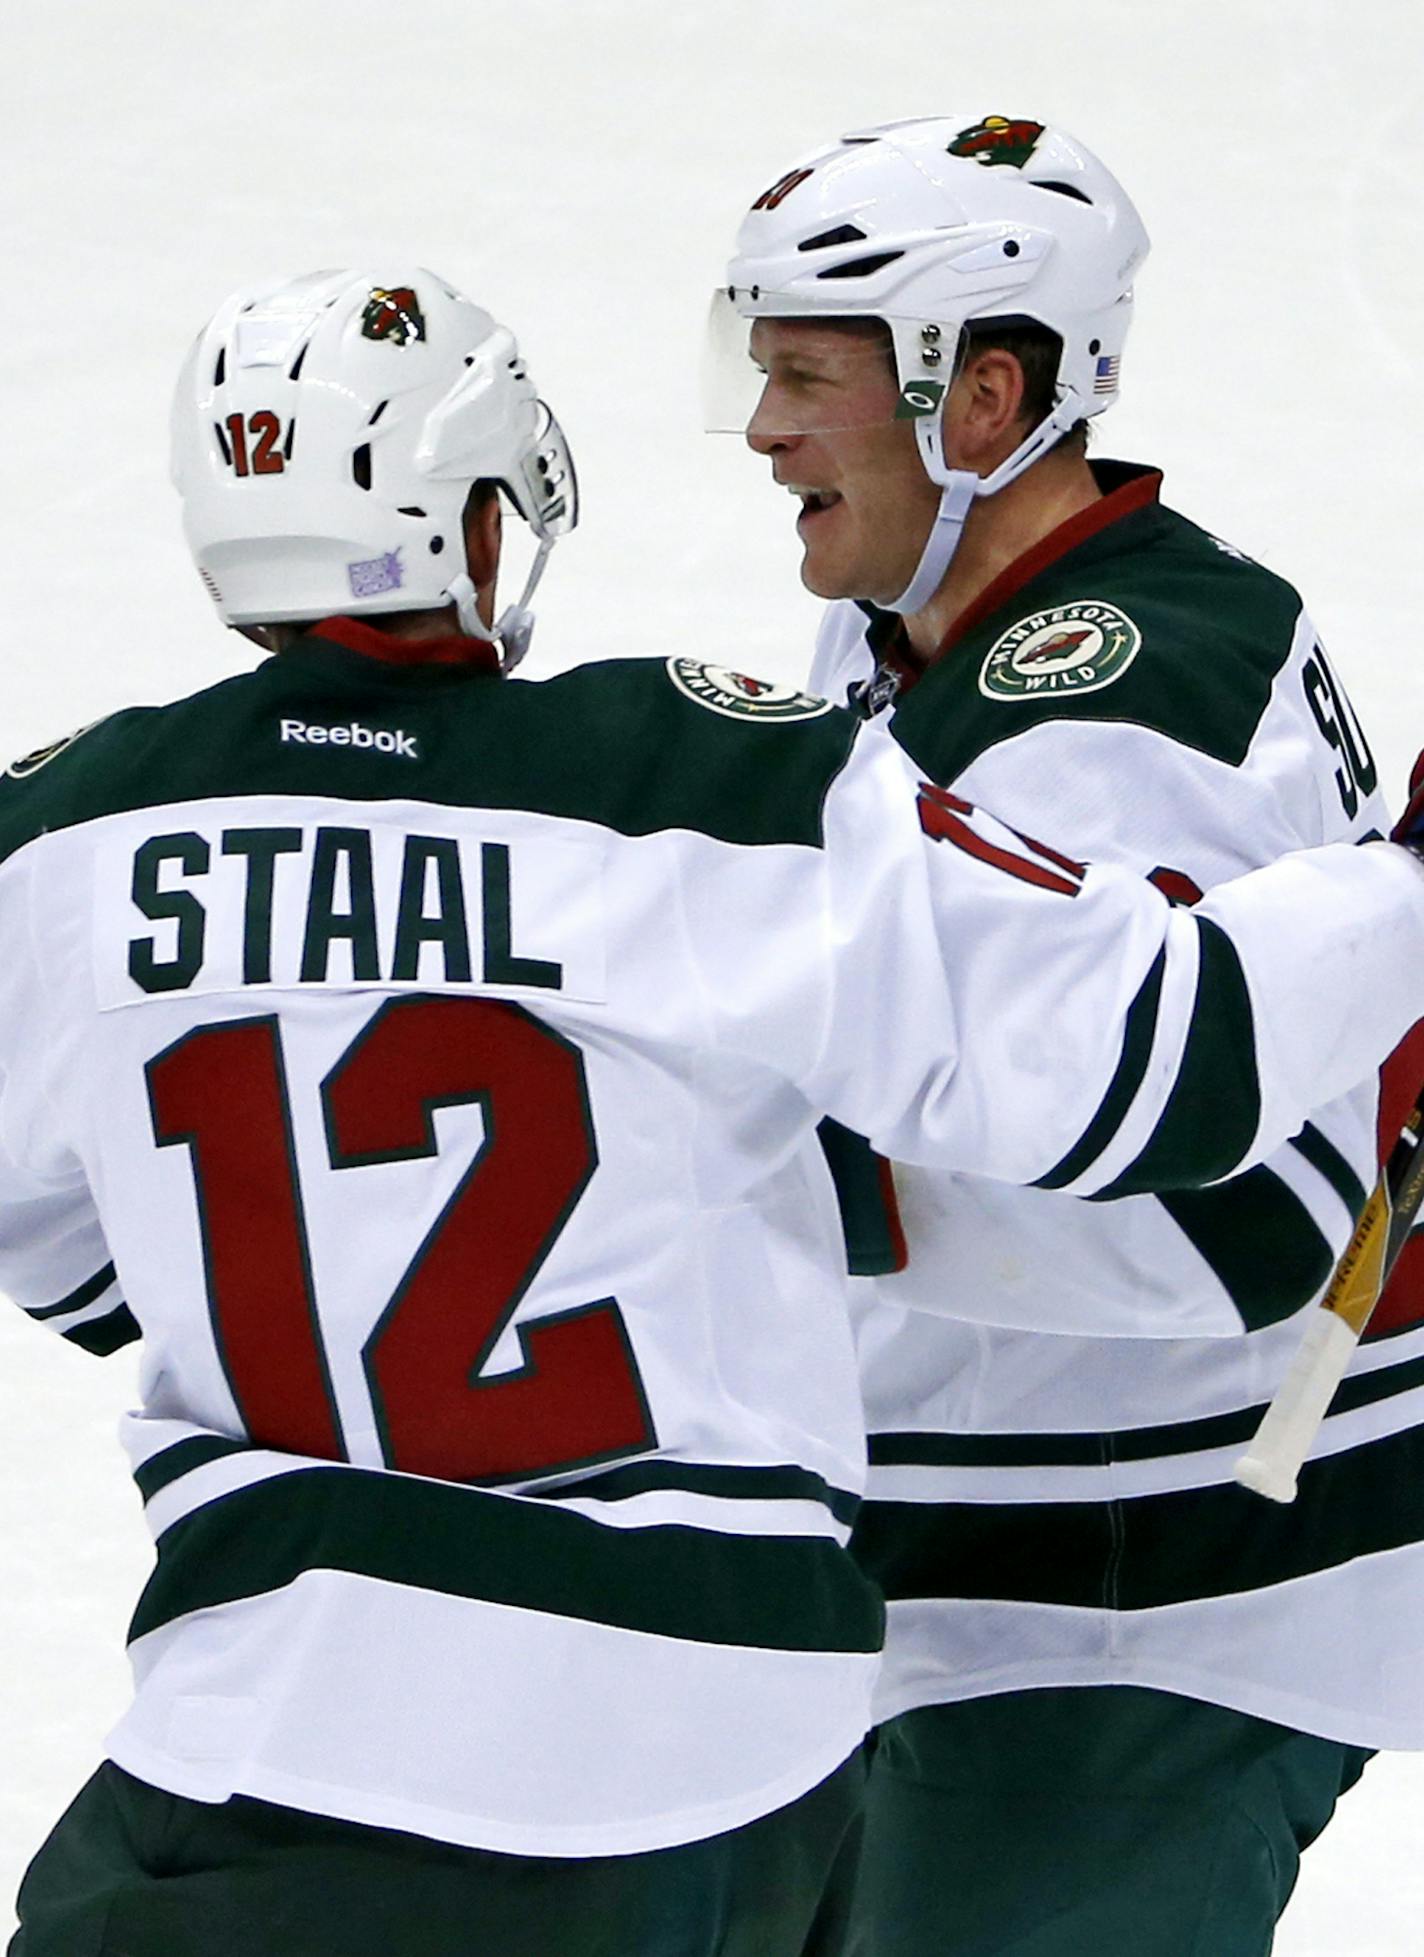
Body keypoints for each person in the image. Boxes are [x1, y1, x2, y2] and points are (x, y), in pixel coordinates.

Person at [4, 269, 1423, 1957]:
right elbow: (1171, 1047)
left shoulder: (52, 845)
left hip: (256, 1717)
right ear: (474, 521)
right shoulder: (701, 780)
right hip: (700, 1751)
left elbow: (77, 1250)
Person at [716, 114, 1424, 1954]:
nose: (764, 429)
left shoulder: (1115, 706)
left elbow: (1228, 1224)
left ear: (979, 396)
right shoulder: (927, 638)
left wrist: (746, 1177)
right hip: (985, 1587)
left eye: (809, 377)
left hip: (1147, 1607)